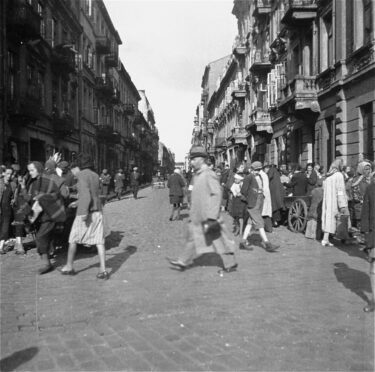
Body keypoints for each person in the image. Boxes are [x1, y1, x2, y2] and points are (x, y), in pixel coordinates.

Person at [167, 146, 237, 275]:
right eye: (191, 159)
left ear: (201, 159)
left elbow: (216, 194)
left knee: (219, 239)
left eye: (194, 159)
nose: (192, 162)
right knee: (193, 238)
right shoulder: (198, 174)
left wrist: (211, 216)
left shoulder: (208, 174)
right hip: (198, 215)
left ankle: (230, 263)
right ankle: (182, 261)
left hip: (208, 215)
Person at [60, 154, 109, 279]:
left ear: (78, 166)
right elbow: (93, 195)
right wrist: (77, 201)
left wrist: (83, 213)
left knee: (73, 239)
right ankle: (103, 269)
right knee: (99, 241)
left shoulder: (81, 175)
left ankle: (69, 266)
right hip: (97, 211)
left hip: (86, 213)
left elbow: (86, 196)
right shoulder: (95, 175)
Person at [21, 161, 62, 274]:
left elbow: (57, 194)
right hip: (41, 216)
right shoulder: (35, 182)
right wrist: (24, 188)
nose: (30, 173)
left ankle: (47, 264)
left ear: (38, 169)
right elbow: (30, 199)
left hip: (49, 215)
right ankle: (47, 259)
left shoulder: (47, 181)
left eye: (32, 170)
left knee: (40, 237)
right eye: (29, 171)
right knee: (42, 237)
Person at [240, 161, 279, 252]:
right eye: (256, 170)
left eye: (259, 170)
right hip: (252, 203)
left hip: (259, 201)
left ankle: (243, 242)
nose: (257, 171)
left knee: (250, 223)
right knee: (260, 222)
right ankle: (267, 244)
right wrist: (249, 198)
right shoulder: (248, 177)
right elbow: (243, 191)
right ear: (252, 169)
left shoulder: (260, 176)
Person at [321, 158, 349, 246]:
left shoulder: (328, 176)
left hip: (327, 200)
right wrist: (342, 204)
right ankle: (344, 238)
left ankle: (325, 239)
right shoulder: (339, 175)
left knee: (328, 218)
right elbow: (340, 191)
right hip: (335, 201)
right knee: (340, 219)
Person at [360, 173, 375, 312]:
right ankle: (374, 300)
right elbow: (365, 212)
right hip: (374, 233)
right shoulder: (371, 188)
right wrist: (365, 232)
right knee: (374, 269)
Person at [0, 166, 16, 254]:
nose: (9, 176)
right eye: (7, 173)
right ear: (3, 173)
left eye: (11, 174)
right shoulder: (0, 183)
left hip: (7, 209)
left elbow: (14, 196)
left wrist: (13, 200)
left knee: (5, 228)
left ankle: (1, 247)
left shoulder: (13, 184)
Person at [260, 164, 273, 232]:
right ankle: (266, 227)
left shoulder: (264, 175)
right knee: (264, 211)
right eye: (267, 168)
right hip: (264, 194)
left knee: (265, 211)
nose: (268, 170)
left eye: (268, 168)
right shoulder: (263, 175)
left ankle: (266, 227)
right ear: (264, 168)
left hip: (266, 194)